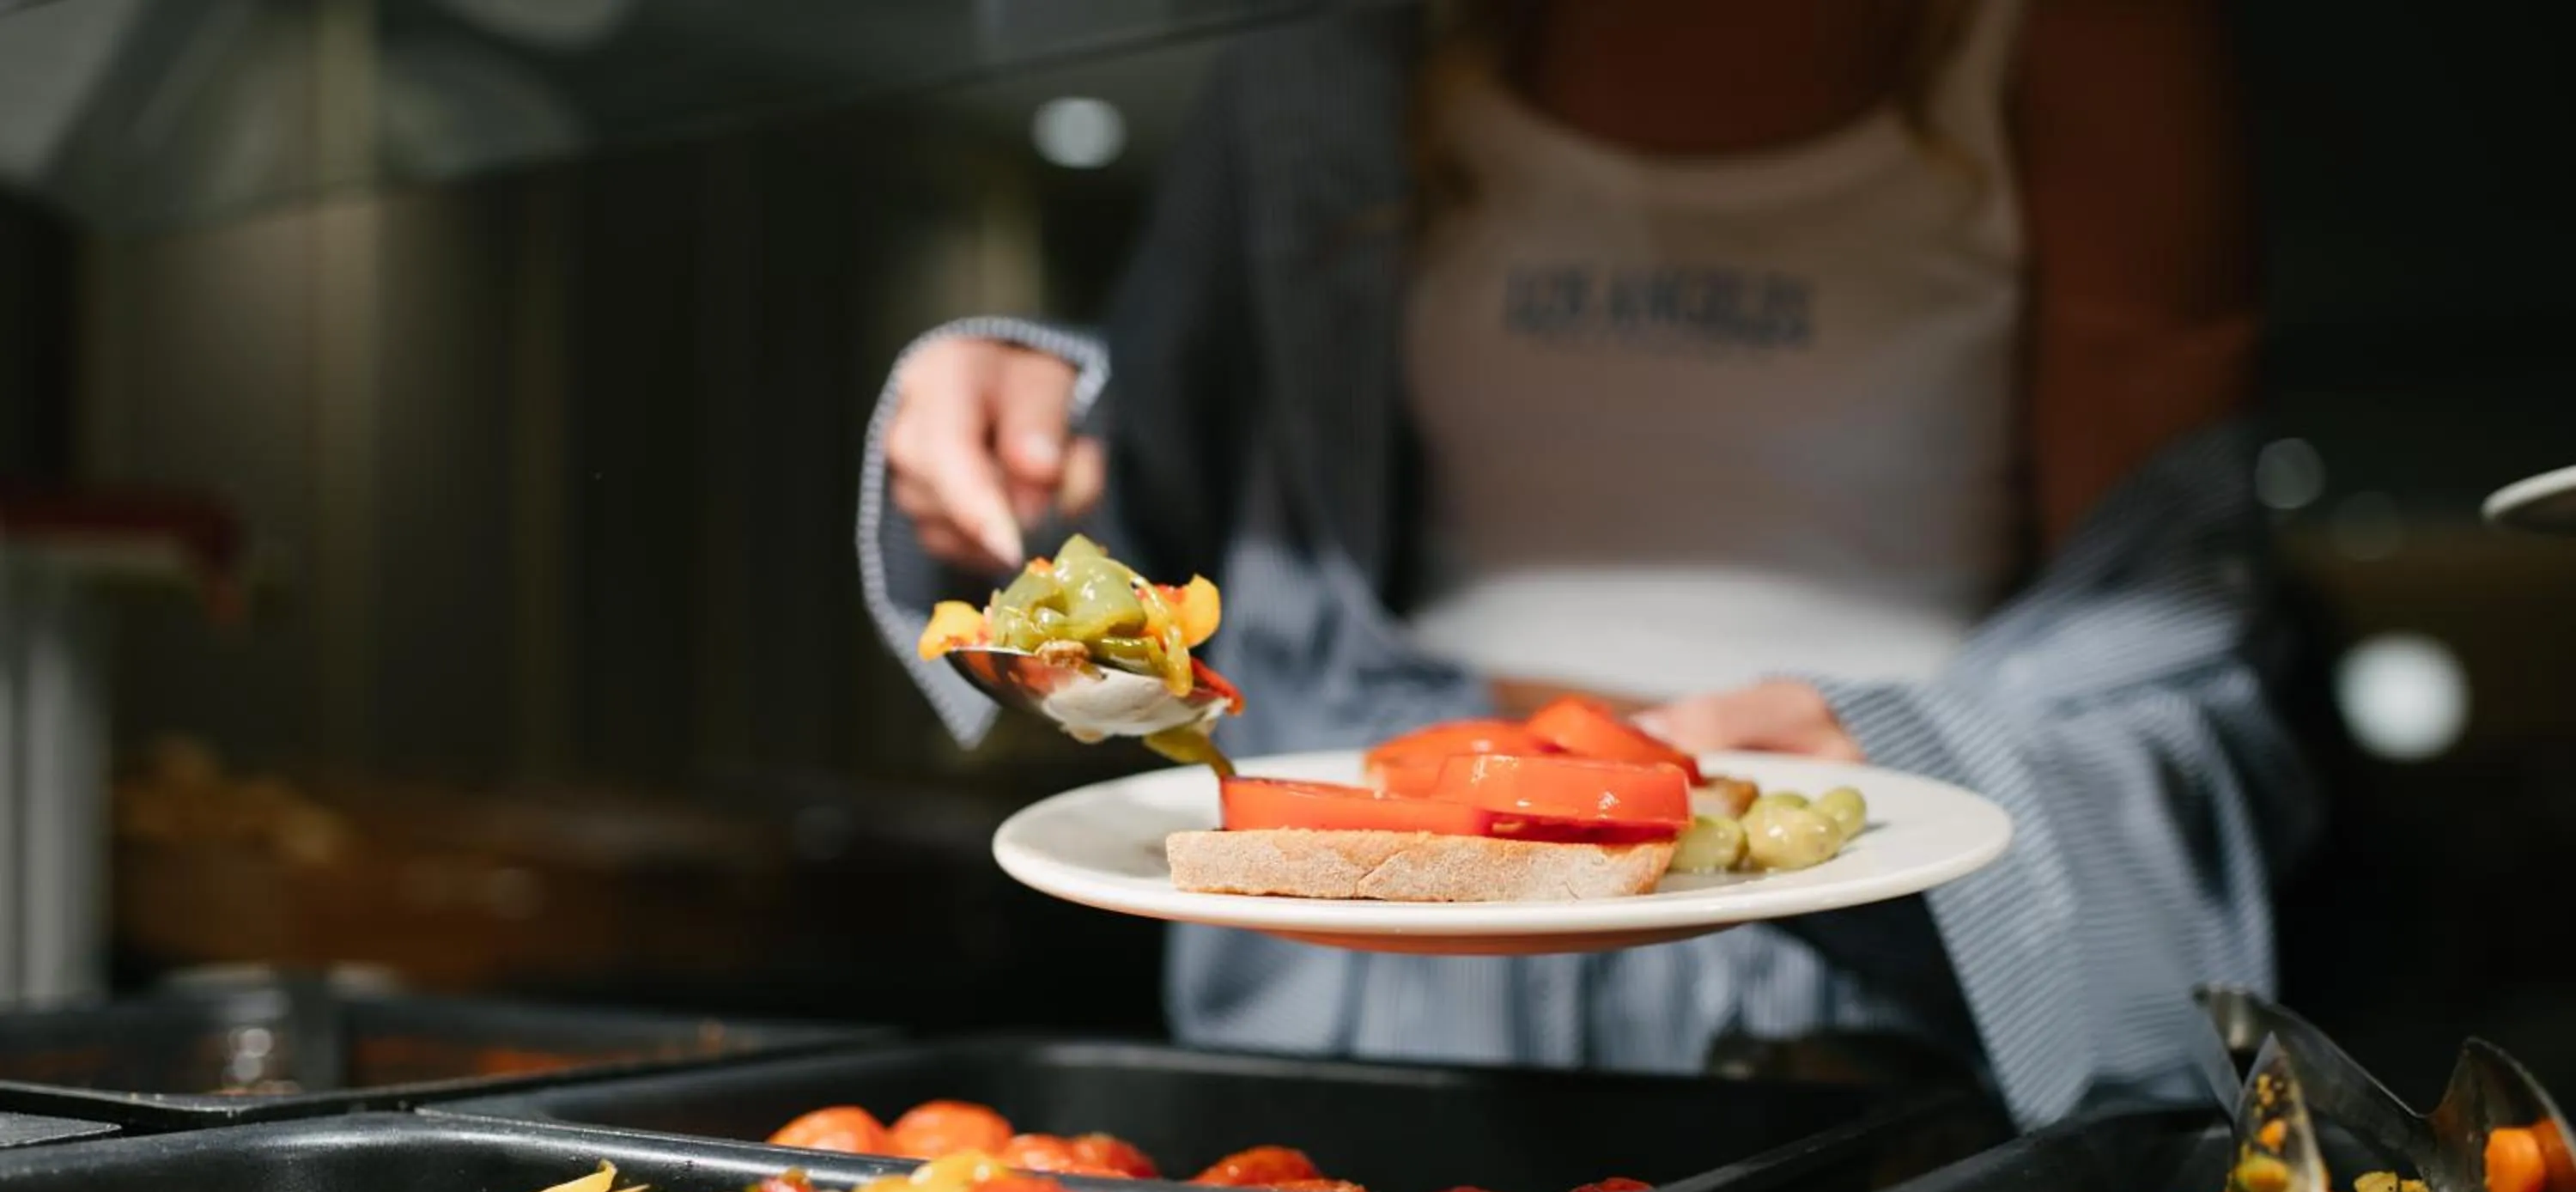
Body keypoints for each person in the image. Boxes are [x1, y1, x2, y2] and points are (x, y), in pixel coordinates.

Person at [858, 0, 2318, 1127]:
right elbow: (1162, 502)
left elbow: (2168, 626)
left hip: (1850, 932)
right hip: (1400, 947)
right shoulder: (1339, 63)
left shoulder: (2069, 36)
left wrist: (1902, 746)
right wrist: (1026, 430)